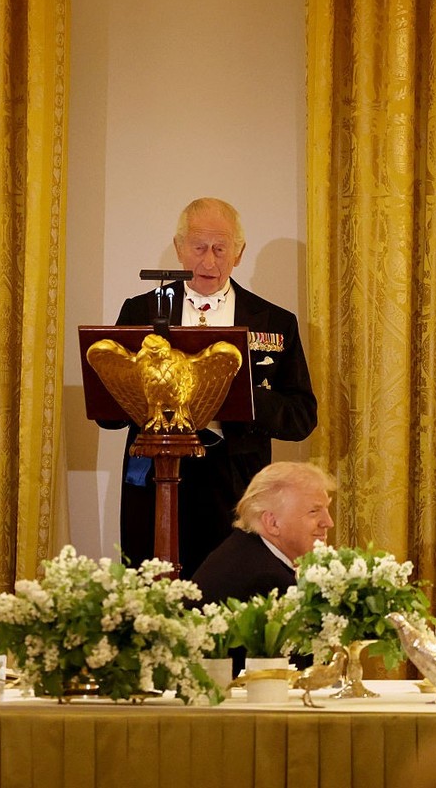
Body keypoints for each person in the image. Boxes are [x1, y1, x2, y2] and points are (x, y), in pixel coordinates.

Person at [105, 197, 317, 577]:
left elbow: (301, 417)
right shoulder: (140, 311)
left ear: (239, 252)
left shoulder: (275, 321)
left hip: (235, 481)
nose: (209, 262)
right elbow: (109, 415)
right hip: (155, 477)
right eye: (199, 248)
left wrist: (244, 396)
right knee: (153, 600)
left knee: (229, 593)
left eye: (220, 249)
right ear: (179, 248)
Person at [191, 460, 335, 604]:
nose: (328, 522)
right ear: (272, 523)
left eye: (326, 509)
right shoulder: (268, 581)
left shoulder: (244, 548)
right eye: (314, 511)